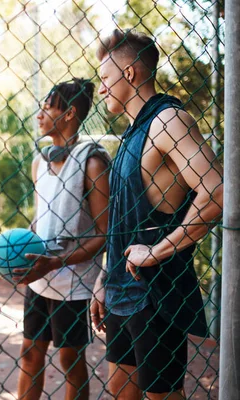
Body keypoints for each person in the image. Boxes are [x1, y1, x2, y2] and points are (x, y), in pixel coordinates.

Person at [92, 29, 223, 400]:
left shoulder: (169, 121)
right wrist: (104, 276)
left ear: (129, 74)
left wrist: (155, 251)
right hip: (119, 290)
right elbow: (123, 218)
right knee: (121, 393)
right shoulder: (132, 133)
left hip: (155, 297)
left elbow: (216, 191)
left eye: (104, 78)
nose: (101, 89)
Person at [12, 79, 111, 400]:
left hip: (73, 280)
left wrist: (57, 261)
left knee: (70, 358)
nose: (39, 115)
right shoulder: (39, 162)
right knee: (29, 352)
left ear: (69, 113)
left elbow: (103, 234)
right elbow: (42, 220)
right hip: (41, 275)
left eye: (47, 107)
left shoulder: (93, 163)